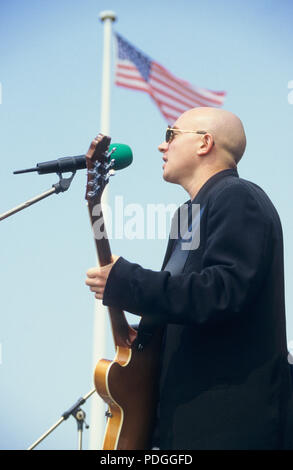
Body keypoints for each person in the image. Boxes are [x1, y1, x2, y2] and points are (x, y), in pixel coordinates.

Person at [85, 107, 293, 450]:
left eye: (171, 134)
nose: (161, 146)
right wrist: (150, 332)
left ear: (204, 143)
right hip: (178, 426)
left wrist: (128, 281)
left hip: (228, 426)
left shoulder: (238, 197)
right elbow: (186, 301)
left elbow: (223, 291)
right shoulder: (184, 217)